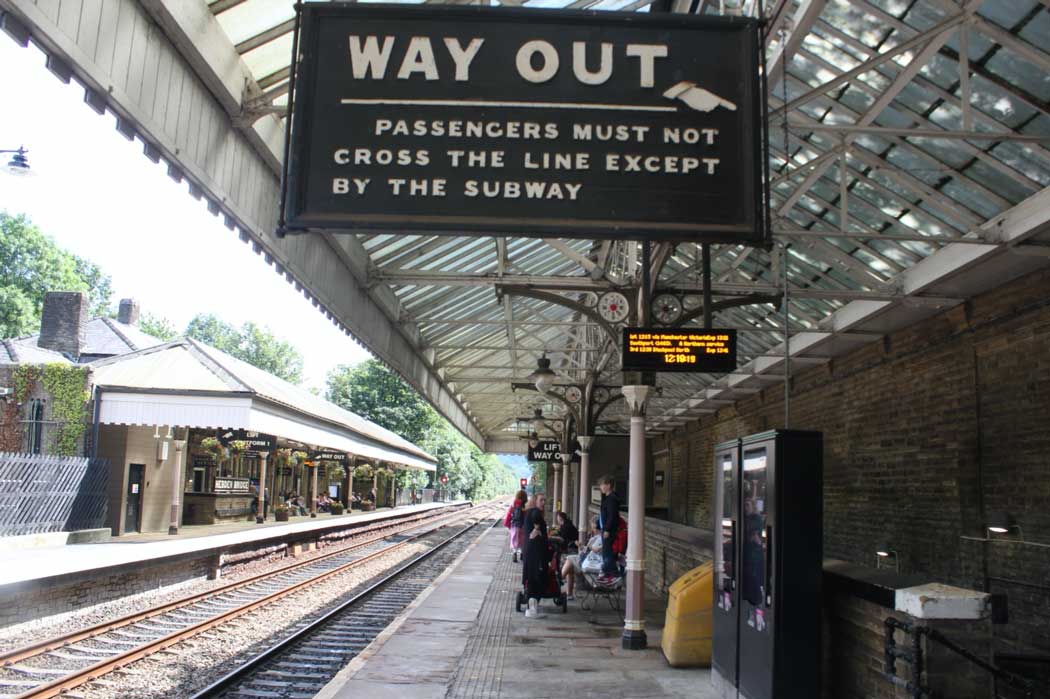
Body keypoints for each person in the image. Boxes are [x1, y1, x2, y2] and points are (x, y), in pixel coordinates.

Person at [521, 492, 550, 619]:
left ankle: (532, 607)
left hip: (531, 552)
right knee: (536, 577)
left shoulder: (528, 512)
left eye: (545, 500)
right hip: (536, 554)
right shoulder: (535, 512)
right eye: (541, 500)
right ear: (535, 501)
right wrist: (537, 528)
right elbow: (536, 517)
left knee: (532, 577)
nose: (543, 503)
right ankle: (531, 608)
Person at [561, 518, 603, 599]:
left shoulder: (602, 538)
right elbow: (587, 550)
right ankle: (568, 593)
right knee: (570, 564)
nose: (593, 530)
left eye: (594, 528)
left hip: (592, 563)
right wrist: (580, 546)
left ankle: (558, 582)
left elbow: (596, 550)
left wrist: (589, 546)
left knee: (569, 559)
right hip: (588, 559)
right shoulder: (595, 537)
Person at [597, 475, 621, 584]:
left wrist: (606, 529)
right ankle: (607, 573)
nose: (600, 486)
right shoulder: (607, 498)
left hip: (609, 531)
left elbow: (612, 516)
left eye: (602, 484)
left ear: (609, 485)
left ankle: (614, 574)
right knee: (605, 552)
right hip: (605, 529)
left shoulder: (612, 499)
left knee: (608, 552)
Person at [503, 490, 527, 562]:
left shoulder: (513, 504)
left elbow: (509, 515)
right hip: (523, 526)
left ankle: (514, 553)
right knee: (523, 540)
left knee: (514, 540)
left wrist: (507, 524)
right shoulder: (526, 504)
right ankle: (522, 554)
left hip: (514, 526)